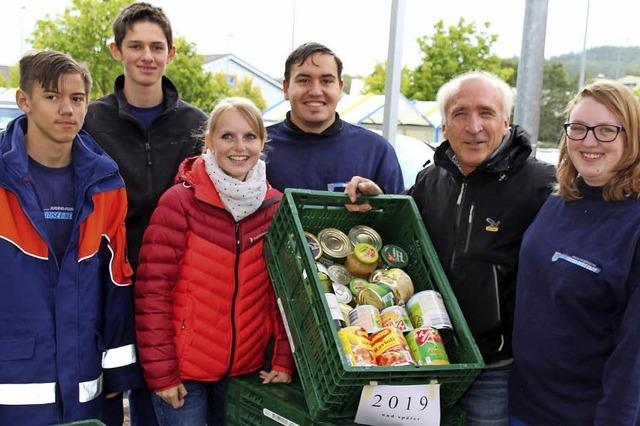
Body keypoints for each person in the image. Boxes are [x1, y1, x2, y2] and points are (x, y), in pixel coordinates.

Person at [346, 71, 556, 425]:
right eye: (460, 114)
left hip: (492, 369)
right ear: (444, 125)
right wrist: (380, 201)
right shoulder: (432, 178)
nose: (473, 126)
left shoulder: (541, 185)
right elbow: (407, 230)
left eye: (486, 113)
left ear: (505, 121)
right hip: (425, 354)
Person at [0, 50, 141, 425]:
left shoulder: (106, 183)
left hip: (86, 388)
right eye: (52, 97)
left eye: (77, 98)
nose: (67, 109)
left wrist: (119, 373)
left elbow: (117, 281)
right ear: (23, 100)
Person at [134, 97, 294, 426]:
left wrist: (282, 358)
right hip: (184, 374)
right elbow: (152, 293)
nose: (240, 147)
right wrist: (162, 374)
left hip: (246, 372)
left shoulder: (274, 207)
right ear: (209, 141)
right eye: (227, 136)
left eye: (250, 136)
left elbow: (281, 293)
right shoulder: (180, 202)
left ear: (262, 143)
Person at [83, 3, 207, 423]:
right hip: (107, 283)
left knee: (163, 404)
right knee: (110, 396)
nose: (147, 56)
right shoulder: (90, 121)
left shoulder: (196, 125)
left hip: (176, 290)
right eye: (135, 46)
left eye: (157, 47)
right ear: (117, 50)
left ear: (172, 53)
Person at [509, 80, 640, 424]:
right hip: (522, 405)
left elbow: (634, 356)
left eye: (607, 130)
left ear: (633, 137)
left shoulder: (634, 224)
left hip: (585, 414)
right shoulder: (558, 199)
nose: (589, 141)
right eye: (578, 128)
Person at [266, 42, 404, 194]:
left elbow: (400, 215)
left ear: (340, 88)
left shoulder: (376, 151)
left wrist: (379, 204)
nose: (316, 91)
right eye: (304, 80)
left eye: (326, 81)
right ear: (286, 88)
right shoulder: (258, 148)